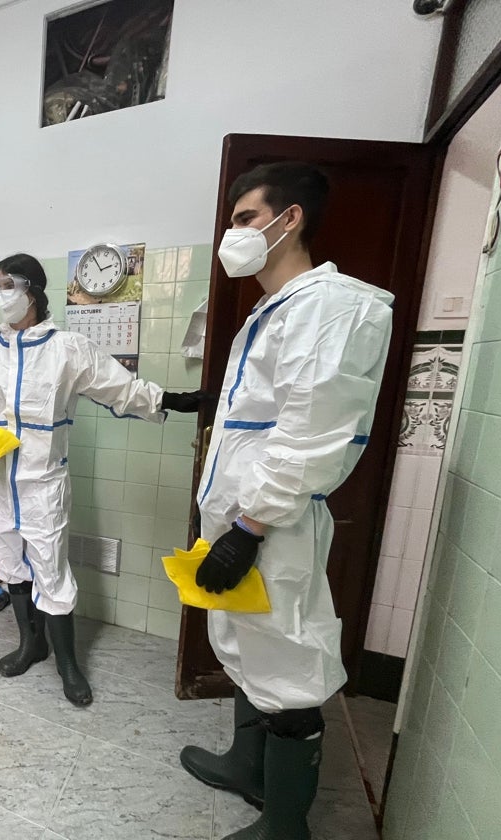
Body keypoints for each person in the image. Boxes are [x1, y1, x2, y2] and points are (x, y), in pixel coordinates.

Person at [179, 163, 393, 840]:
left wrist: (249, 526)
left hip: (272, 523)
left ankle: (284, 827)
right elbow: (262, 417)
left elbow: (309, 433)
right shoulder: (273, 312)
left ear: (289, 218)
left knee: (287, 666)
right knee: (243, 647)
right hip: (243, 516)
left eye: (245, 218)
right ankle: (249, 768)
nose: (233, 233)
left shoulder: (330, 306)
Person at [0, 253, 208, 706]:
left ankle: (68, 664)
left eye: (8, 286)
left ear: (32, 289)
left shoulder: (66, 348)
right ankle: (31, 644)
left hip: (41, 484)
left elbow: (121, 387)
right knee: (10, 566)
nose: (2, 296)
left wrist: (175, 399)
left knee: (51, 572)